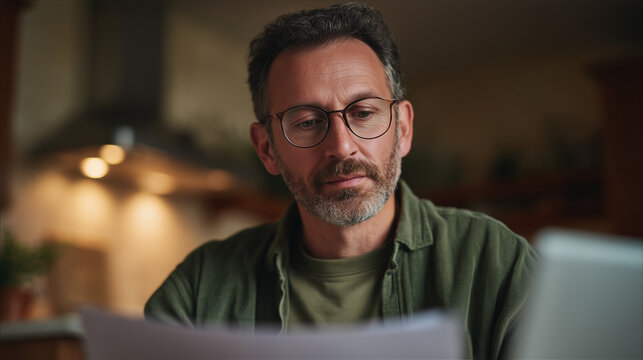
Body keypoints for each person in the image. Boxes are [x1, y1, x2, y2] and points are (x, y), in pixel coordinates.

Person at [145, 3, 537, 360]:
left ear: (402, 128)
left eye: (363, 112)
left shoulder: (498, 264)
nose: (341, 146)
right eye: (307, 122)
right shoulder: (198, 290)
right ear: (266, 149)